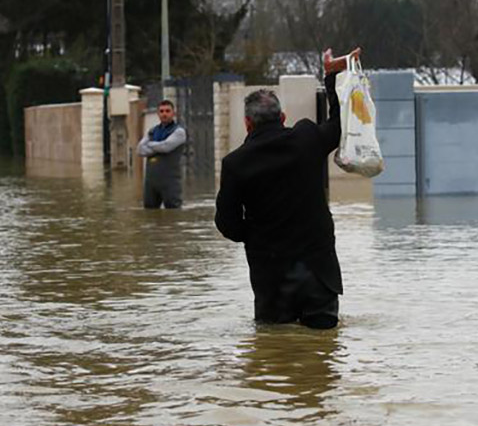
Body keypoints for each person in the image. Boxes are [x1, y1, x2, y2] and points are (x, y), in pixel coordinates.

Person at [215, 48, 360, 329]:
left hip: (271, 280)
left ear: (247, 123)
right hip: (319, 275)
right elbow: (340, 124)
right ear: (282, 117)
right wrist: (331, 77)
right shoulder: (307, 138)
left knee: (273, 353)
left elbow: (227, 224)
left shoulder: (235, 164)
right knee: (322, 356)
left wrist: (257, 235)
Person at [136, 99, 186, 209]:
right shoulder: (152, 131)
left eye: (168, 111)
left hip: (170, 181)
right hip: (151, 182)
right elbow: (139, 149)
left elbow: (166, 147)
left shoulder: (179, 132)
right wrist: (158, 145)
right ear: (158, 113)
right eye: (162, 111)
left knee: (173, 212)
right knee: (149, 212)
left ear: (174, 113)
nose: (164, 114)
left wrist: (150, 144)